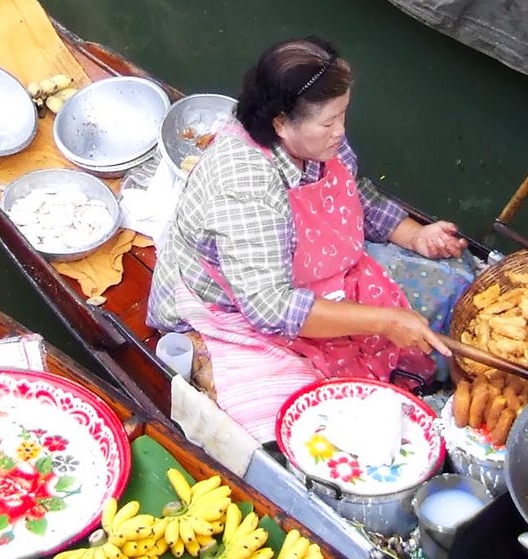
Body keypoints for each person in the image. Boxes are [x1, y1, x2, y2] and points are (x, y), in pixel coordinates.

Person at [149, 36, 469, 440]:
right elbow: (270, 307)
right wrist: (386, 322)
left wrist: (416, 235)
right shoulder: (246, 184)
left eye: (343, 115)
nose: (340, 131)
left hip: (317, 274)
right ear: (281, 122)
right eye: (329, 122)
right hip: (237, 306)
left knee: (456, 286)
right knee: (304, 426)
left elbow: (357, 192)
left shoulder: (319, 142)